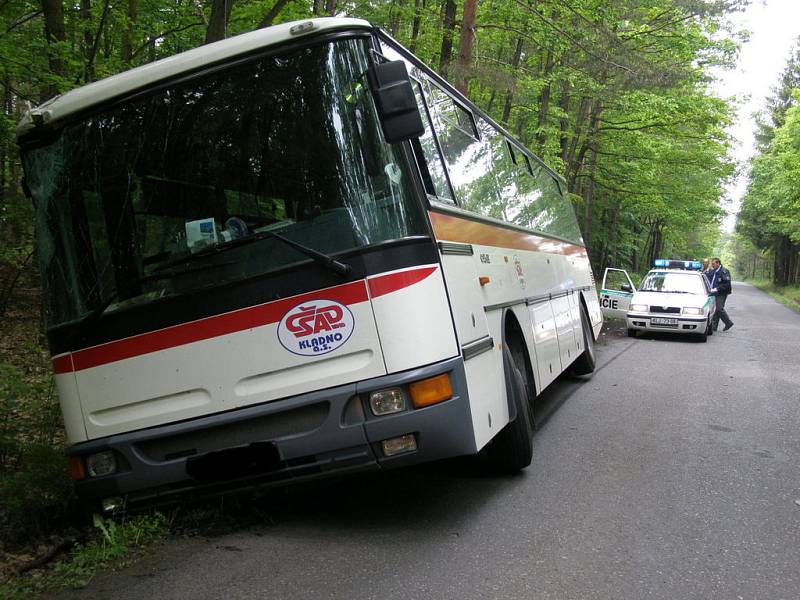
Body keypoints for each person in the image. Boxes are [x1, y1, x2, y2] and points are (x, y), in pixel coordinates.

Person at [708, 257, 733, 331]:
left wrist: (717, 289)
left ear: (718, 263)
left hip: (721, 293)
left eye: (713, 264)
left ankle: (728, 323)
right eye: (712, 264)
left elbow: (727, 284)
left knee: (719, 308)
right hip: (712, 293)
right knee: (714, 310)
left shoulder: (724, 271)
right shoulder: (712, 271)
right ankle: (714, 326)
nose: (712, 265)